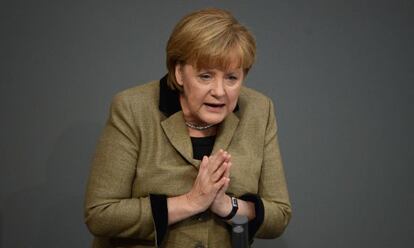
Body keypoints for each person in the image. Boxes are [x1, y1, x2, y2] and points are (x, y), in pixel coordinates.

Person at [84, 8, 291, 248]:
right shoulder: (133, 108)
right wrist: (191, 202)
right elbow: (100, 214)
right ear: (179, 72)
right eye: (205, 76)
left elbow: (280, 216)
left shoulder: (259, 110)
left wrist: (227, 206)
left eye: (231, 78)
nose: (220, 91)